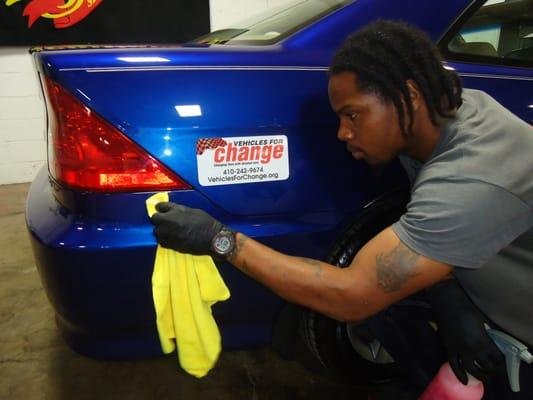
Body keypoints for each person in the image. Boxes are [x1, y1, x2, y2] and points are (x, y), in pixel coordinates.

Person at [150, 20, 533, 399]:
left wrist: (220, 240)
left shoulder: (472, 174)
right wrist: (450, 294)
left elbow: (353, 295)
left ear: (410, 94)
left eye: (353, 115)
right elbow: (451, 229)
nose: (342, 133)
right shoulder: (451, 115)